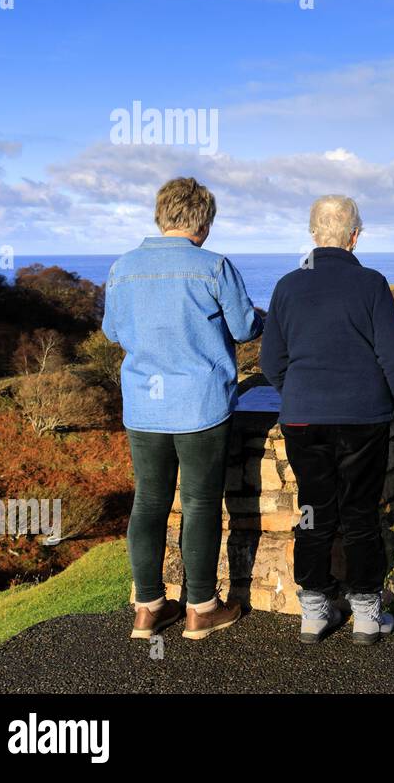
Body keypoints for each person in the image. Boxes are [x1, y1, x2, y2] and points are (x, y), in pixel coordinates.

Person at [102, 176, 263, 640]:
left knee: (148, 502)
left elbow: (113, 332)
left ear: (161, 214)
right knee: (200, 504)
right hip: (200, 405)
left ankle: (148, 608)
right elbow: (245, 326)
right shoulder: (213, 267)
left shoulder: (123, 267)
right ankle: (200, 609)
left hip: (144, 408)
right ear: (204, 222)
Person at [259, 195, 394, 645]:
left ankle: (313, 613)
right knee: (361, 511)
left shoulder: (287, 285)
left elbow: (271, 360)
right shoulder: (371, 283)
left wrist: (299, 394)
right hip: (364, 417)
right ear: (355, 235)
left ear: (313, 234)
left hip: (304, 418)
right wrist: (390, 399)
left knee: (312, 511)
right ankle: (365, 615)